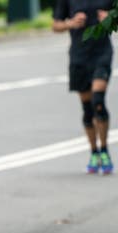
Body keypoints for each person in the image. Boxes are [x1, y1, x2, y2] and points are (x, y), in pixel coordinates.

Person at [53, 0, 114, 174]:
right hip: (79, 57)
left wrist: (110, 19)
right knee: (88, 110)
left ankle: (105, 151)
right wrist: (70, 23)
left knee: (98, 102)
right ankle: (94, 152)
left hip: (102, 54)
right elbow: (55, 25)